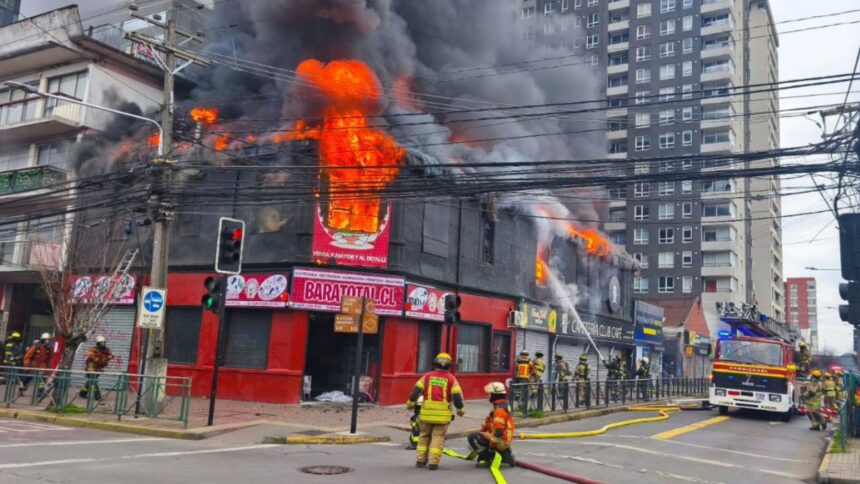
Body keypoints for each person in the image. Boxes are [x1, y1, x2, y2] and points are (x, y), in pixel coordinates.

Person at [406, 352, 465, 470]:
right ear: (449, 366)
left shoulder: (427, 376)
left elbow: (416, 391)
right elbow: (457, 397)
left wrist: (410, 404)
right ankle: (433, 463)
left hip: (426, 414)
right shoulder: (451, 379)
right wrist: (460, 410)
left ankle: (421, 461)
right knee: (438, 437)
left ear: (435, 364)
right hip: (442, 417)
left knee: (424, 436)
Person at [467, 382, 516, 468]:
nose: (488, 396)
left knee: (473, 438)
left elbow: (499, 432)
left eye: (490, 394)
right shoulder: (499, 406)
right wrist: (482, 431)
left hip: (501, 440)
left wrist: (491, 447)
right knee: (478, 436)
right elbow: (490, 422)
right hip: (502, 439)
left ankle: (489, 458)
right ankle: (504, 454)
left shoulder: (499, 410)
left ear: (495, 395)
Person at [80, 336, 114, 401]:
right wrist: (98, 360)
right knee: (93, 381)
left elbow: (111, 356)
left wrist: (106, 358)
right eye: (101, 343)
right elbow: (90, 355)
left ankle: (82, 393)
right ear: (98, 343)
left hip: (98, 368)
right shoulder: (93, 349)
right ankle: (97, 396)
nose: (102, 344)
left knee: (90, 381)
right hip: (91, 367)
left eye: (103, 343)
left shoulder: (106, 350)